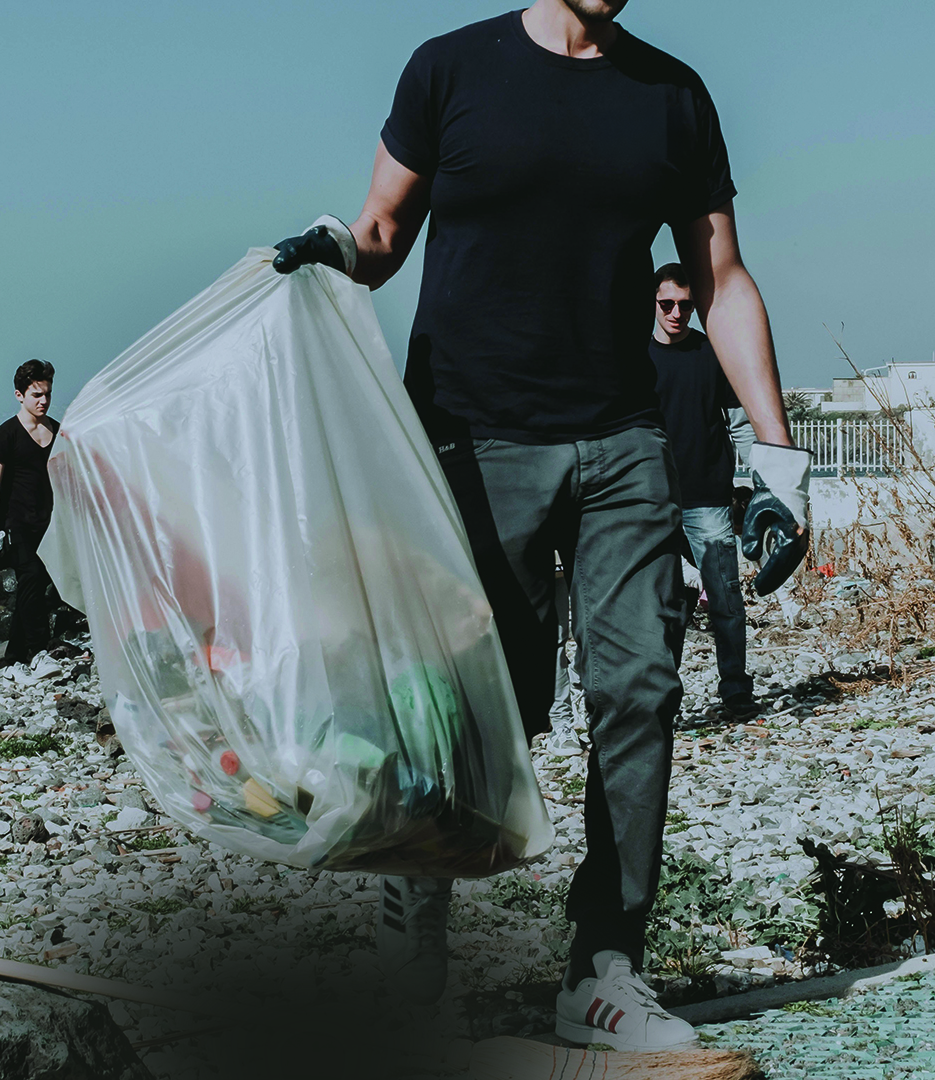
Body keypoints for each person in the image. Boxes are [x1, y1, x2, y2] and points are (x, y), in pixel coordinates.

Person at [272, 0, 810, 1052]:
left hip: (623, 441)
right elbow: (382, 232)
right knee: (494, 701)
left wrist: (781, 459)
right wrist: (331, 247)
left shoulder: (673, 96)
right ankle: (422, 878)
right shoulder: (450, 71)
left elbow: (721, 278)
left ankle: (603, 966)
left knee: (642, 693)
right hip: (476, 438)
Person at [649, 262, 759, 718]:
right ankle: (665, 702)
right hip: (651, 503)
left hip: (709, 500)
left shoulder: (713, 353)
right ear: (653, 303)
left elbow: (740, 425)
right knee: (664, 608)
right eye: (667, 304)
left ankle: (735, 692)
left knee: (726, 601)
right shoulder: (633, 358)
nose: (677, 313)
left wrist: (750, 483)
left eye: (686, 305)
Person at [0, 360, 60, 671]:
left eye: (47, 394)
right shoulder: (4, 435)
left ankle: (12, 659)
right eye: (37, 394)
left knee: (32, 588)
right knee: (31, 577)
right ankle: (38, 654)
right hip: (17, 524)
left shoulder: (58, 432)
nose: (44, 401)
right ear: (19, 395)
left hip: (51, 525)